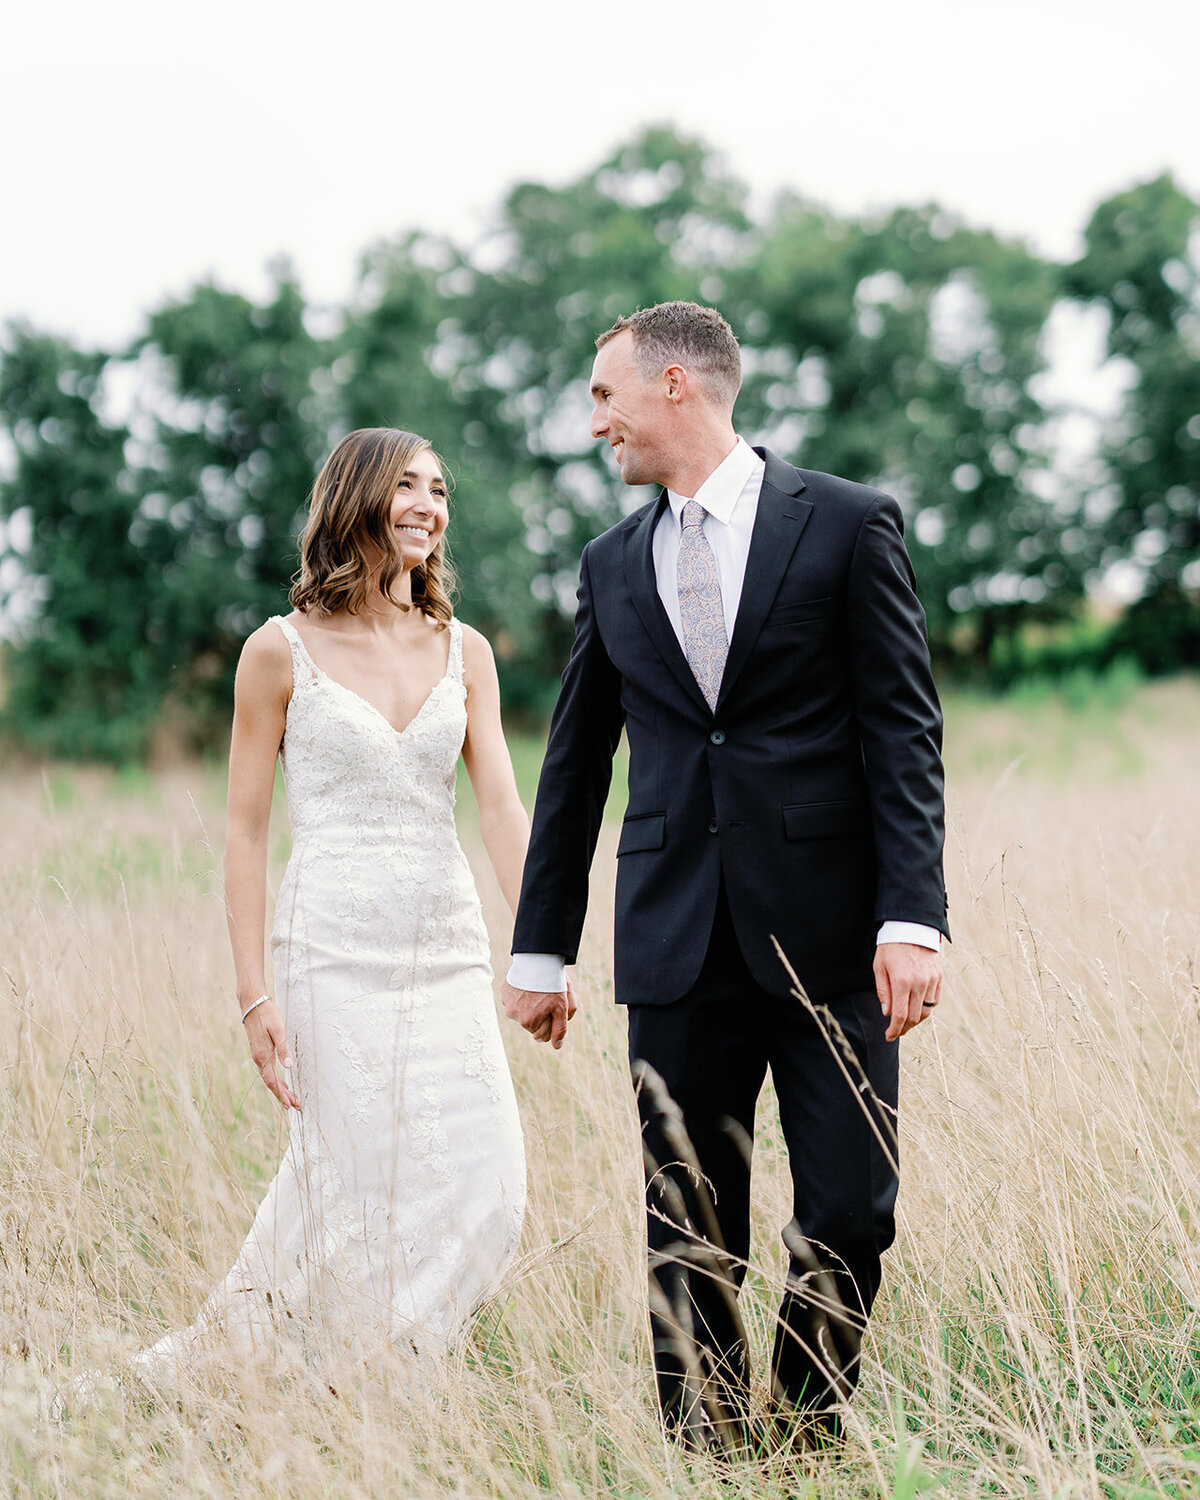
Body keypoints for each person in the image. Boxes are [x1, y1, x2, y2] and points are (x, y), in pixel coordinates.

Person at [502, 302, 948, 1449]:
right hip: (674, 943)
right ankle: (710, 1455)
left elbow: (903, 731)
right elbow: (574, 767)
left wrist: (914, 915)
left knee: (852, 1209)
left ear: (674, 388)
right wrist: (541, 947)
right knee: (688, 1226)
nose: (594, 421)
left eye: (604, 396)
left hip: (834, 935)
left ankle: (805, 1435)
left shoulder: (848, 525)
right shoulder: (611, 565)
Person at [80, 428, 531, 1395]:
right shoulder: (275, 653)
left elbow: (498, 803)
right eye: (407, 485)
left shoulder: (467, 652)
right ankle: (356, 1388)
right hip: (328, 950)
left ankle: (379, 1359)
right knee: (353, 1189)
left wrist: (538, 944)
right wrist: (255, 997)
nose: (428, 505)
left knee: (489, 1179)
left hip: (445, 946)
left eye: (440, 490)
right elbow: (244, 834)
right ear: (355, 499)